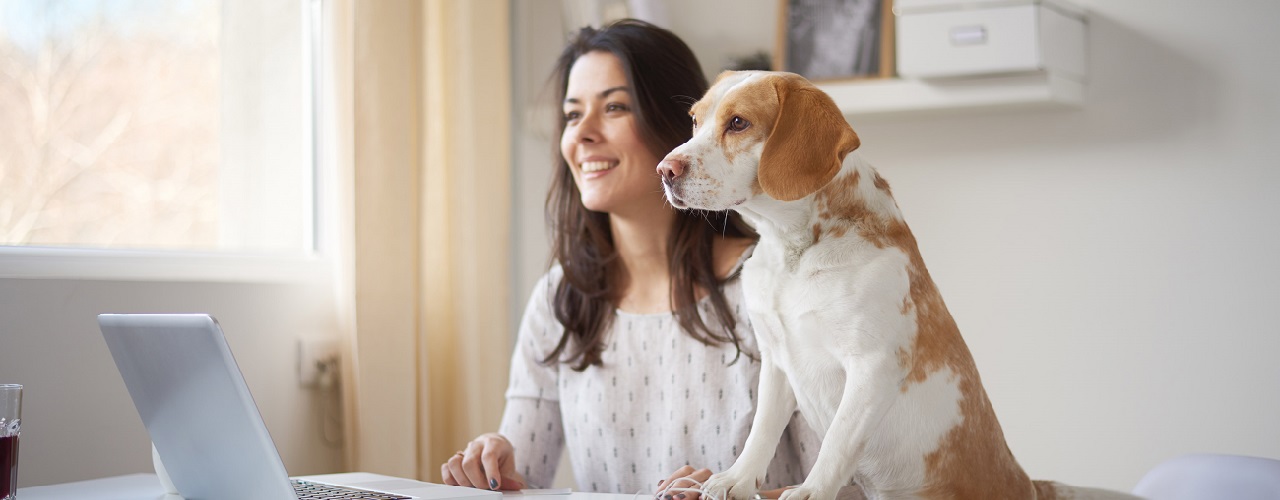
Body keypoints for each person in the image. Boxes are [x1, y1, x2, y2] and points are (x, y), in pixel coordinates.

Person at [440, 19, 820, 496]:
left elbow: (850, 491)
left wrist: (732, 495)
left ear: (680, 126)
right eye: (573, 114)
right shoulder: (561, 297)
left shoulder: (778, 288)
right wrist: (490, 466)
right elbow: (520, 479)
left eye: (615, 107)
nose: (583, 135)